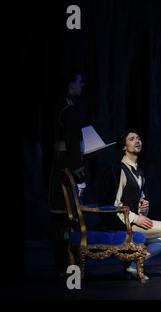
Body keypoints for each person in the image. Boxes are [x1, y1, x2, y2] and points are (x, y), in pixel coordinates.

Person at [97, 129, 161, 281]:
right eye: (132, 139)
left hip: (132, 220)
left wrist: (142, 209)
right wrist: (135, 218)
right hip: (121, 222)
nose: (137, 141)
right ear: (124, 147)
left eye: (139, 138)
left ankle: (133, 264)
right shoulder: (118, 170)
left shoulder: (139, 171)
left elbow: (137, 200)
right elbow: (113, 205)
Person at [48, 70, 86, 277]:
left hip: (59, 165)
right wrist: (79, 173)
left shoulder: (60, 106)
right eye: (80, 81)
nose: (83, 85)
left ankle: (63, 264)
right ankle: (66, 265)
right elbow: (72, 144)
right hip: (66, 168)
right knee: (66, 217)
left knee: (61, 217)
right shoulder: (68, 109)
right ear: (70, 84)